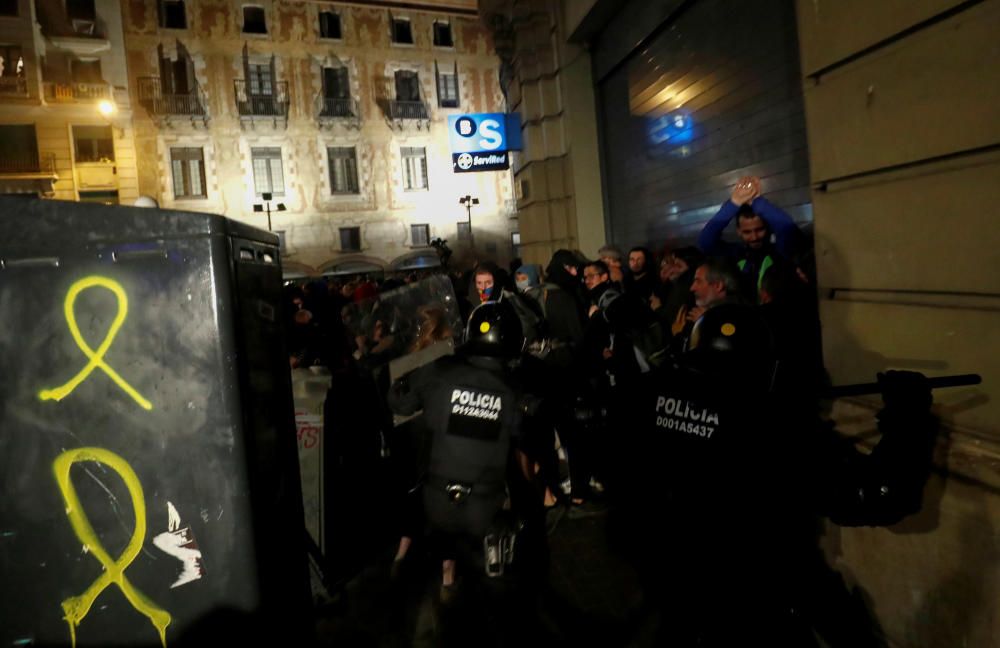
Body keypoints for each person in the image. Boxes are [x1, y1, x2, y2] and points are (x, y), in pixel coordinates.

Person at [615, 304, 937, 646]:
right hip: (754, 605)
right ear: (765, 369)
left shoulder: (650, 401)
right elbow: (880, 494)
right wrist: (909, 419)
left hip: (675, 593)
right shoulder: (773, 430)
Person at [386, 301, 536, 612]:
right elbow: (524, 435)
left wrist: (404, 377)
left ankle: (444, 579)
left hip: (437, 502)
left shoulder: (438, 372)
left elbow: (400, 404)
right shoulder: (514, 390)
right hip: (485, 508)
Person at [697, 175, 803, 302]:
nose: (754, 237)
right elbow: (705, 242)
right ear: (738, 231)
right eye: (747, 232)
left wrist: (756, 201)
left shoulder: (779, 252)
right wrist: (734, 204)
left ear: (768, 228)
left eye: (759, 230)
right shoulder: (735, 254)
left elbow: (787, 228)